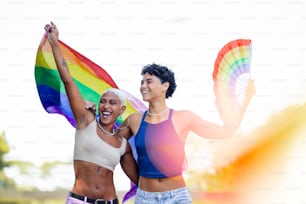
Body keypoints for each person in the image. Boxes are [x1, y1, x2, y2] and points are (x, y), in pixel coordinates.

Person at [116, 63, 256, 203]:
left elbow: (226, 132)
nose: (143, 86)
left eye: (149, 81)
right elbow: (112, 145)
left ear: (165, 86)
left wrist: (246, 100)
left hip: (177, 197)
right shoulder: (133, 120)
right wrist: (139, 180)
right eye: (142, 82)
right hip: (145, 198)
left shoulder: (184, 118)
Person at [44, 22, 138, 204]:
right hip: (80, 201)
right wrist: (54, 43)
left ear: (122, 110)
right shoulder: (85, 120)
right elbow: (68, 80)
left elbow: (140, 181)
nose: (106, 106)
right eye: (102, 102)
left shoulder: (123, 145)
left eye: (112, 103)